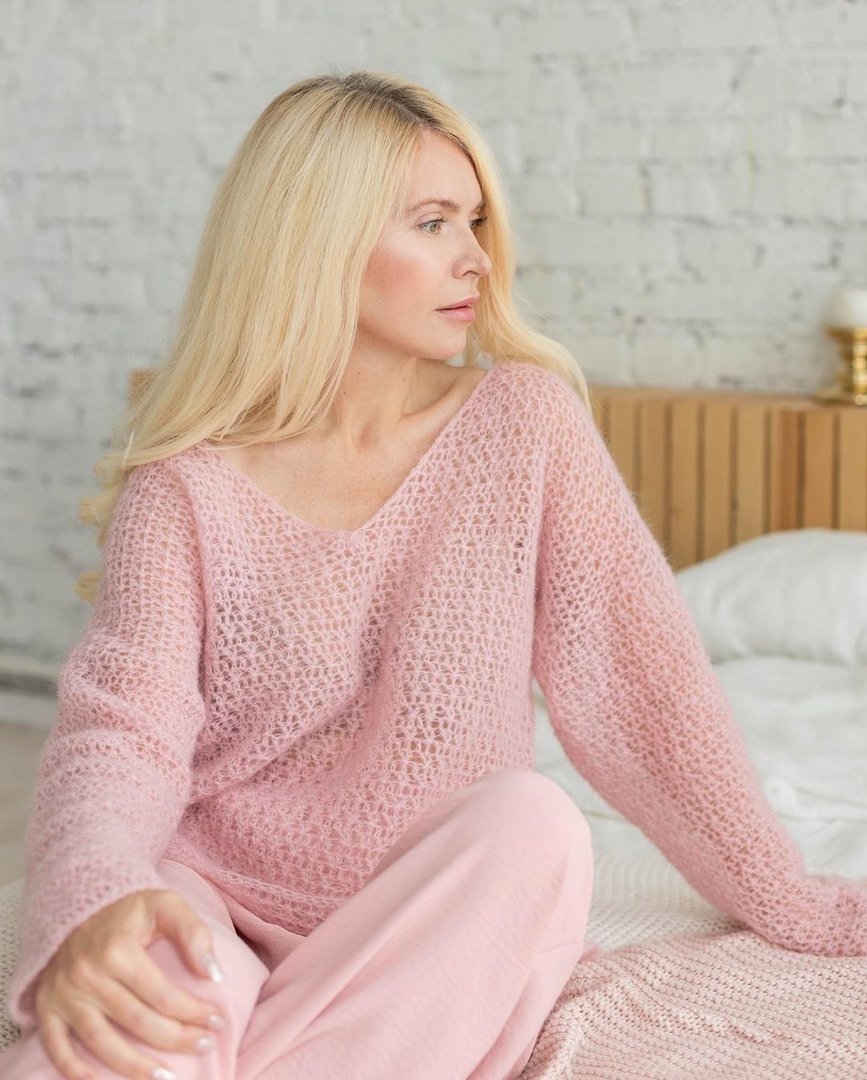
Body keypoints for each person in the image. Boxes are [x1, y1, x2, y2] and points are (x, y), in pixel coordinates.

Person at [3, 69, 866, 1080]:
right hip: (214, 893)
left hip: (435, 906)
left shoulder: (523, 425)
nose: (476, 258)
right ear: (314, 239)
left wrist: (786, 896)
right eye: (432, 223)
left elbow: (644, 693)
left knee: (535, 823)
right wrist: (96, 895)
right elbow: (125, 729)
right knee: (112, 1015)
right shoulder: (187, 482)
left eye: (475, 220)